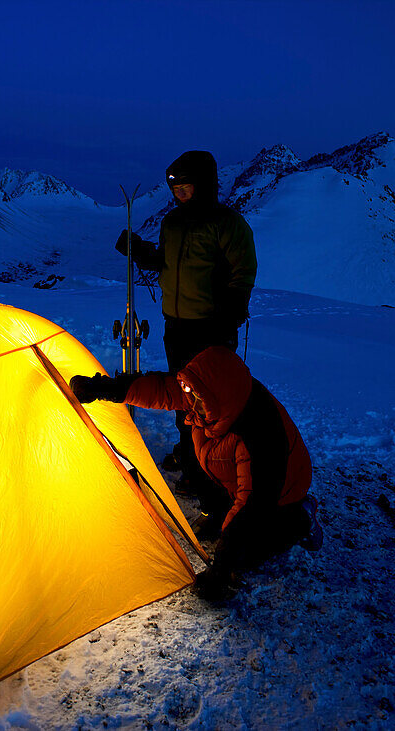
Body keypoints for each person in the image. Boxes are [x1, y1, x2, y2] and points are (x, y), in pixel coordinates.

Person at [70, 346, 321, 601]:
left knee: (247, 551)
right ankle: (222, 514)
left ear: (218, 398)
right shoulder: (211, 396)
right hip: (233, 474)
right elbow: (160, 388)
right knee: (206, 477)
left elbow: (252, 505)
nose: (192, 402)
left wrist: (221, 570)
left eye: (199, 398)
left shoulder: (258, 435)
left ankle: (301, 518)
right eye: (191, 393)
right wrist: (104, 389)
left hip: (278, 493)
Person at [116, 150, 257, 509]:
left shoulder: (227, 224)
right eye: (175, 190)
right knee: (182, 398)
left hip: (211, 327)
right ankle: (189, 456)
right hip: (175, 324)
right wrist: (138, 251)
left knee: (211, 406)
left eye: (186, 189)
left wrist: (230, 314)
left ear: (204, 186)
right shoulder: (173, 223)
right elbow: (165, 261)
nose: (179, 196)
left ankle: (212, 472)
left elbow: (243, 272)